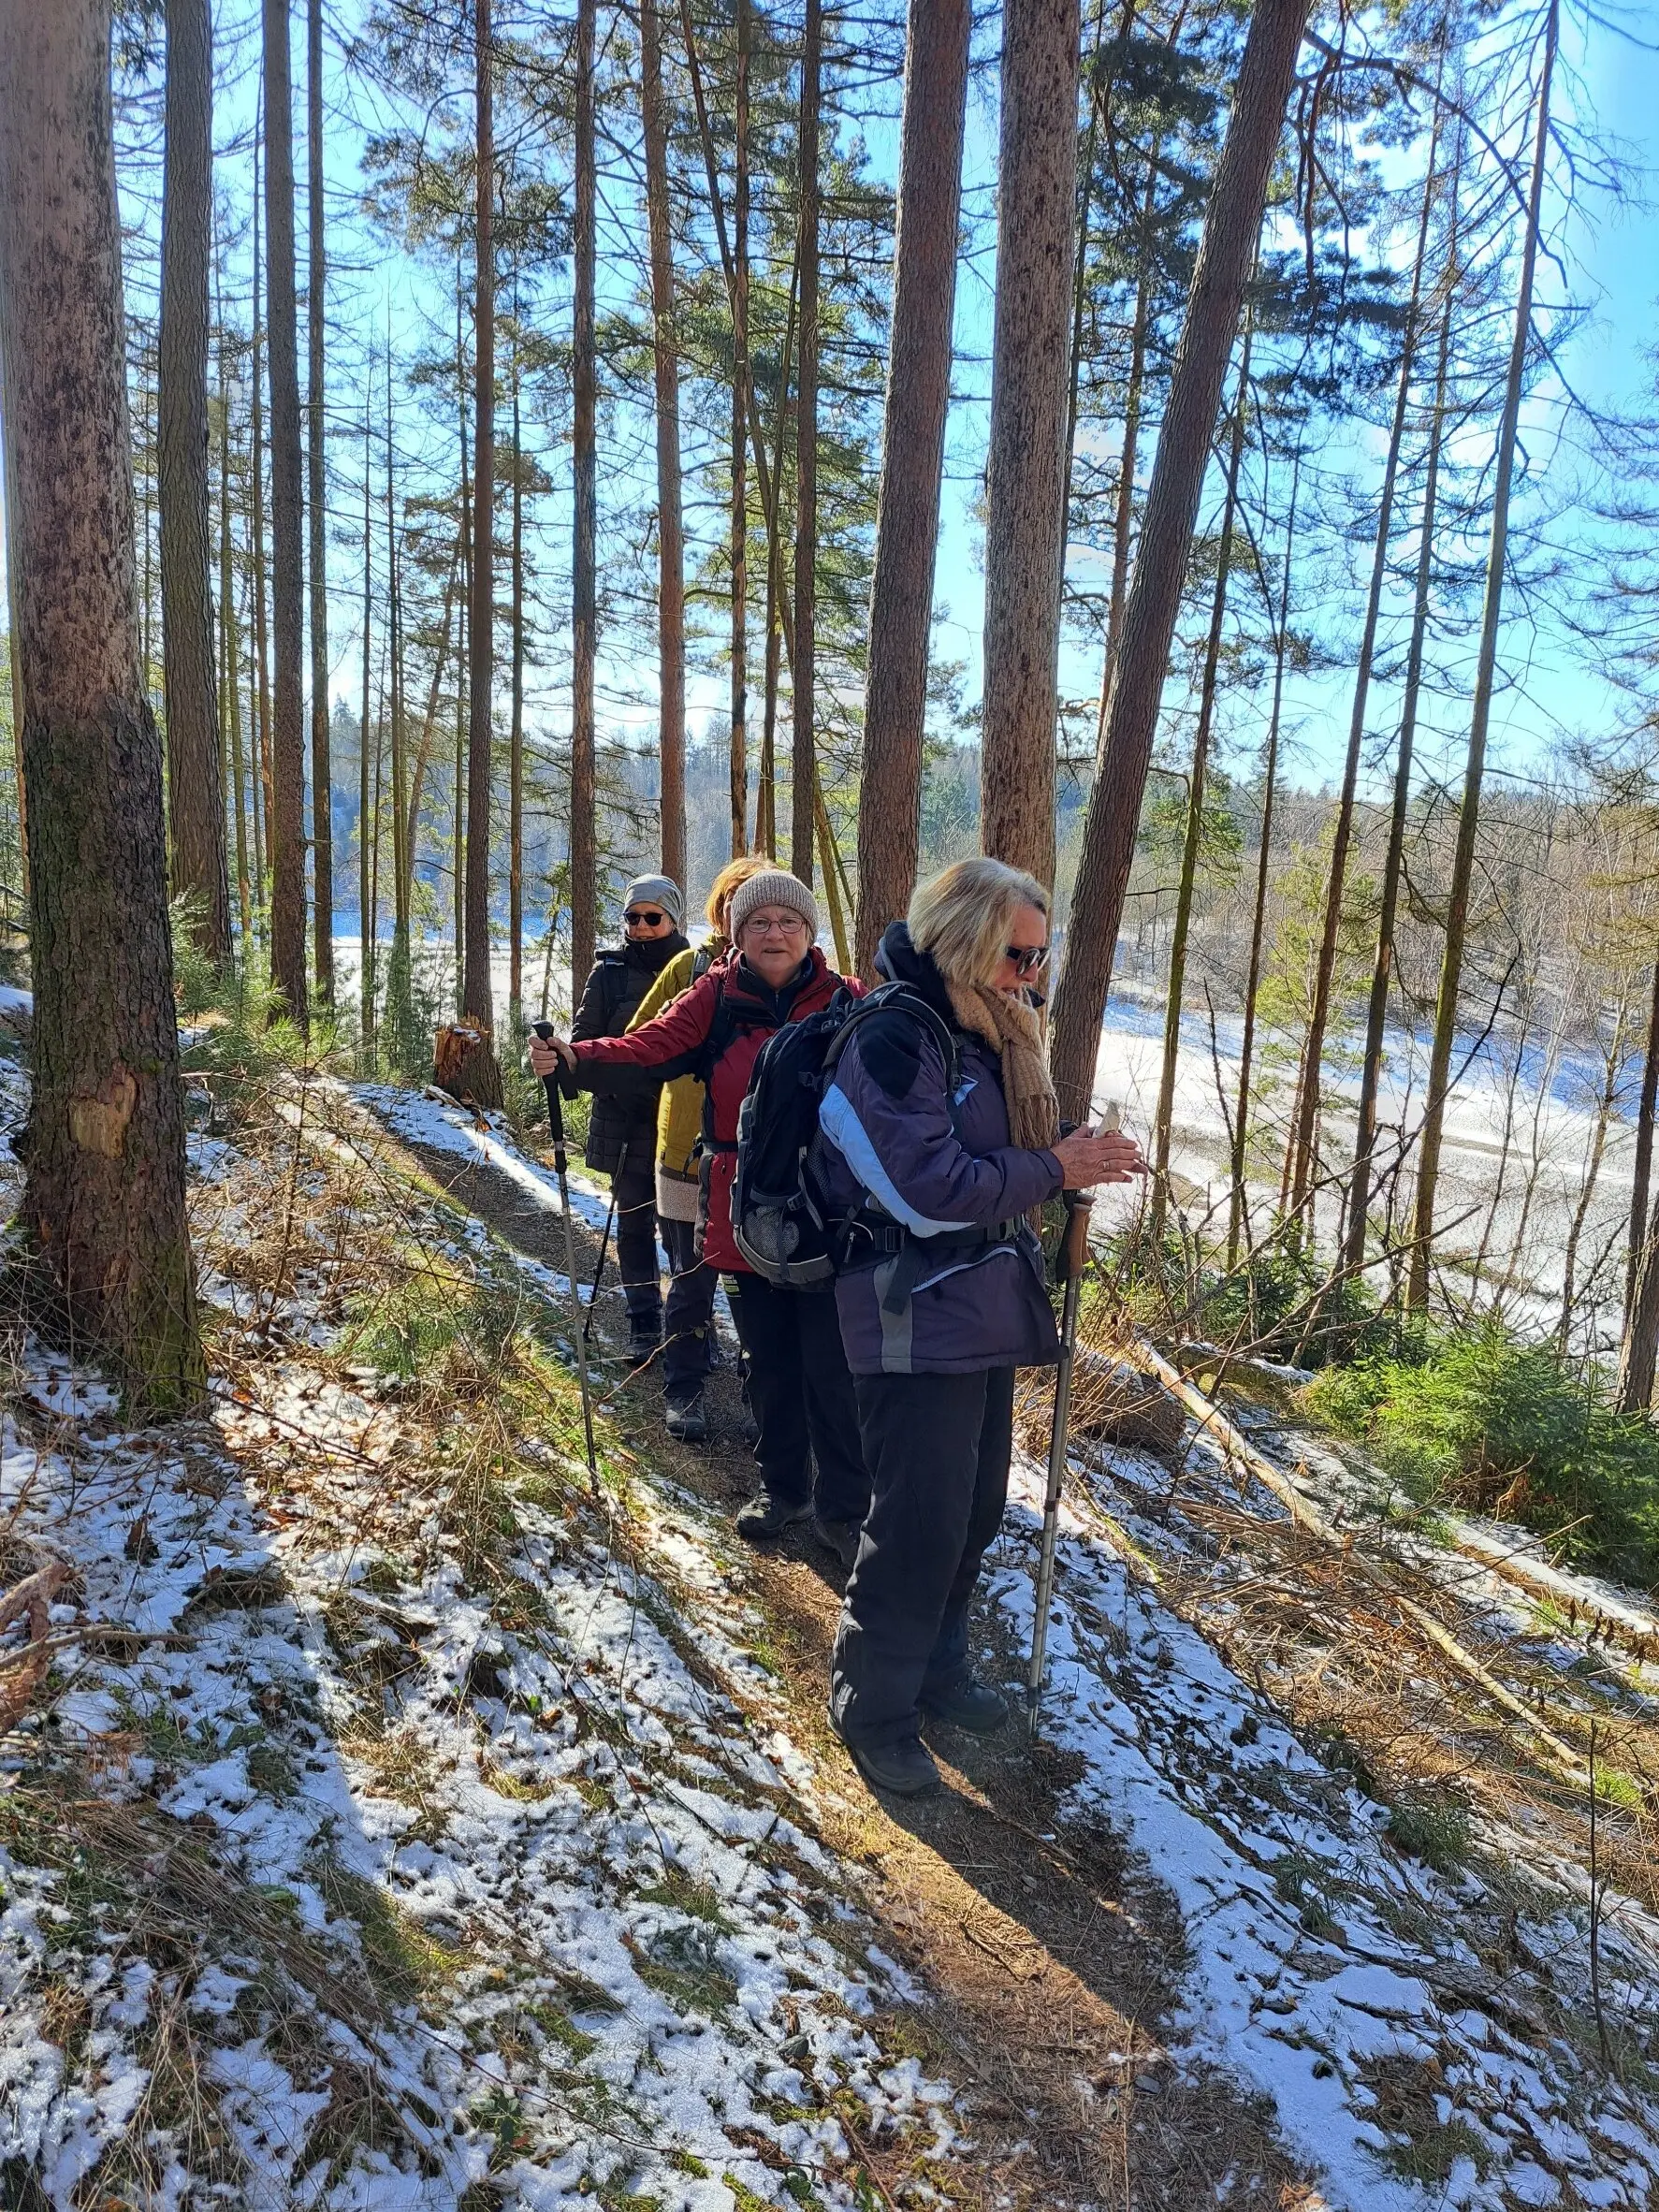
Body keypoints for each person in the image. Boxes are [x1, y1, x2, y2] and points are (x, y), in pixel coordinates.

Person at [813, 857, 1147, 1798]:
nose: (1031, 975)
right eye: (1018, 955)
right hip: (906, 1304)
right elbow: (922, 1191)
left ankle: (938, 1674)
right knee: (916, 1519)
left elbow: (999, 1151)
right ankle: (872, 1704)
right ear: (963, 937)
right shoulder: (893, 1039)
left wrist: (1078, 1156)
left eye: (1042, 958)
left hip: (984, 1299)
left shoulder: (994, 1034)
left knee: (971, 1515)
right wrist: (1056, 1170)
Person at [531, 869, 870, 1560]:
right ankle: (783, 1489)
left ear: (809, 931)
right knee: (768, 1358)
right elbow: (646, 1047)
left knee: (831, 1364)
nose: (774, 933)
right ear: (736, 933)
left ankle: (845, 1506)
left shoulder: (846, 1001)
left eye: (787, 921)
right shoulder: (713, 995)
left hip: (826, 1213)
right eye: (758, 923)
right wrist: (573, 1057)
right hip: (739, 1207)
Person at [626, 853, 770, 1444]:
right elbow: (643, 1041)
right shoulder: (691, 968)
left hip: (758, 1158)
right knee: (692, 1275)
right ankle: (684, 1386)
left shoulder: (792, 975)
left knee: (752, 1281)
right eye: (747, 906)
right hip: (688, 1151)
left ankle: (754, 1390)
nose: (759, 921)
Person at [569, 875, 690, 1361]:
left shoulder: (695, 972)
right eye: (632, 917)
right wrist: (613, 1084)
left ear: (673, 920)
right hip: (625, 1121)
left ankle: (688, 1322)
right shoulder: (609, 975)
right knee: (635, 1222)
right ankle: (644, 1320)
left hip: (680, 1122)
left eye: (652, 917)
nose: (640, 927)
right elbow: (583, 1047)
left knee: (683, 1229)